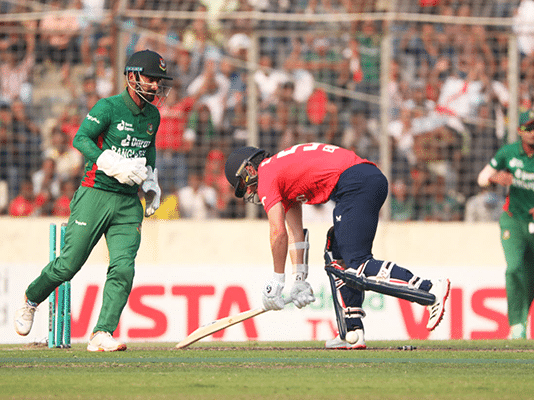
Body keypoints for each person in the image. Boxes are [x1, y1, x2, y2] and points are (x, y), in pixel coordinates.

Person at [14, 49, 172, 351]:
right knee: (68, 265)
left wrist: (151, 181)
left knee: (124, 268)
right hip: (95, 192)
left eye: (159, 81)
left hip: (128, 202)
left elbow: (148, 148)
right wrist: (108, 161)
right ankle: (31, 299)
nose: (155, 86)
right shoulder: (109, 107)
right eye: (151, 79)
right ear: (132, 76)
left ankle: (102, 333)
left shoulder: (153, 115)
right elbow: (80, 138)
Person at [224, 143, 450, 349]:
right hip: (362, 180)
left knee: (358, 264)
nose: (250, 192)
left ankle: (429, 289)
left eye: (245, 186)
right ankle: (351, 332)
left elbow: (277, 232)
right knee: (336, 256)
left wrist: (277, 280)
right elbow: (296, 235)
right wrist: (299, 280)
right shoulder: (280, 173)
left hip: (356, 184)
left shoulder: (267, 175)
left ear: (249, 171)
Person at [477, 109, 534, 339]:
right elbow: (482, 178)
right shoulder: (509, 153)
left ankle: (522, 318)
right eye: (529, 128)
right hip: (514, 220)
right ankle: (517, 325)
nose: (533, 133)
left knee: (530, 275)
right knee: (514, 269)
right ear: (520, 131)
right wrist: (494, 178)